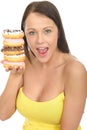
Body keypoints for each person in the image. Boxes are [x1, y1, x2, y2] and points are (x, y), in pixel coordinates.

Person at [0, 1, 87, 130]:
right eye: (32, 33)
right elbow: (3, 114)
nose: (40, 40)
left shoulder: (75, 71)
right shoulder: (25, 62)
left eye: (47, 31)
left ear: (58, 32)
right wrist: (15, 75)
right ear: (24, 35)